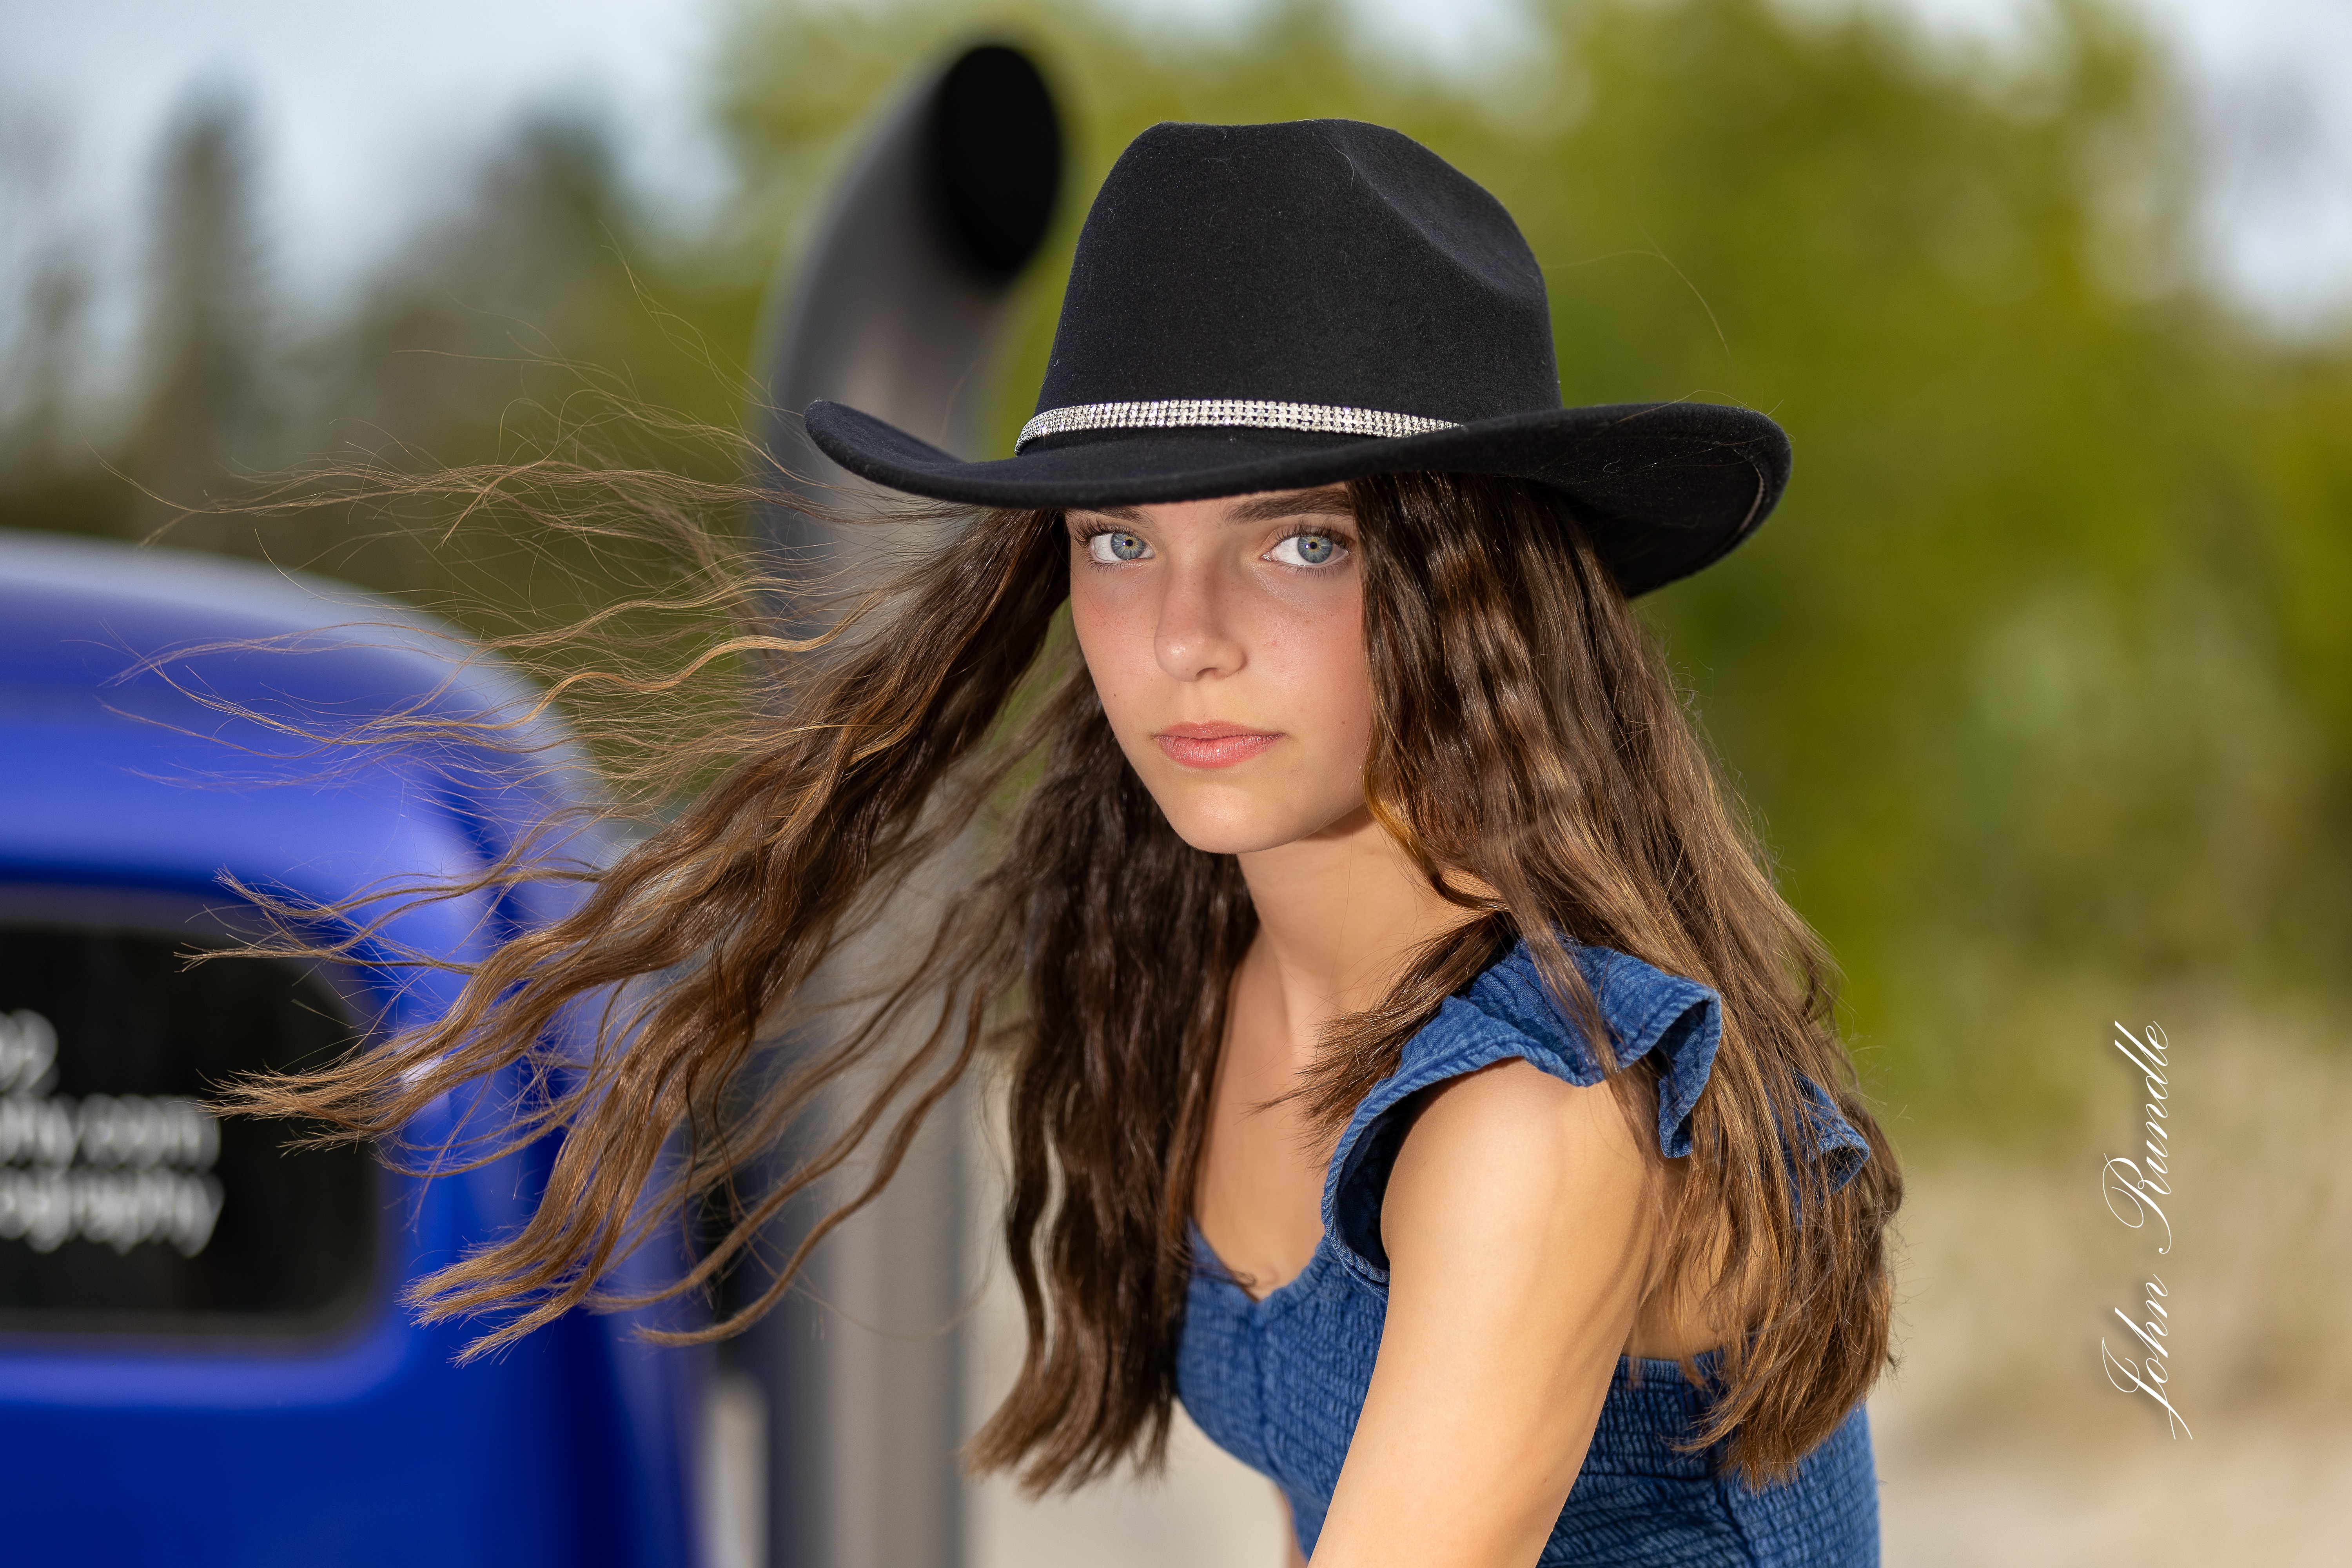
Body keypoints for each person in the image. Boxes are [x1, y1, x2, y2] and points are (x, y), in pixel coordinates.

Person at [247, 118, 1899, 1566]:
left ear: (1478, 591)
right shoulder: (1202, 988)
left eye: (1300, 543)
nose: (1183, 637)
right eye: (1118, 539)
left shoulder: (1544, 1103)